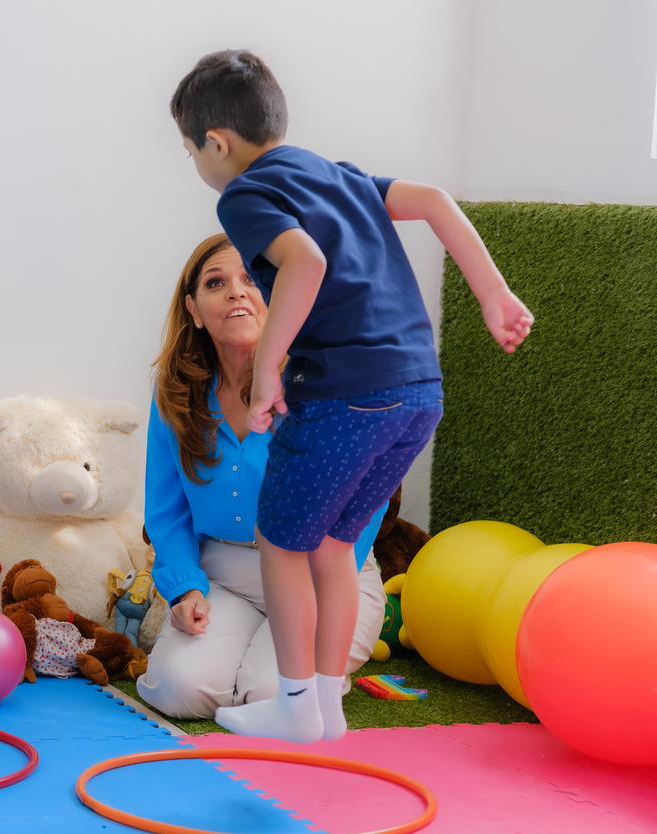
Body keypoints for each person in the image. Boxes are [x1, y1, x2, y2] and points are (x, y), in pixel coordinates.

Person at [170, 50, 533, 742]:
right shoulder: (338, 175)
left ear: (216, 143)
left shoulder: (242, 195)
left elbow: (304, 261)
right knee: (335, 546)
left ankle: (295, 704)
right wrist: (494, 294)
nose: (197, 164)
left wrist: (268, 370)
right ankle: (326, 708)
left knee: (280, 543)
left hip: (345, 394)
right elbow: (434, 200)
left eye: (190, 152)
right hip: (418, 392)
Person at [139, 234, 387, 720]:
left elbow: (368, 494)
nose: (236, 291)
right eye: (216, 283)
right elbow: (167, 511)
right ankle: (257, 661)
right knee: (177, 689)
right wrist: (186, 589)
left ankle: (300, 672)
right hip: (225, 576)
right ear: (194, 309)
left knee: (272, 695)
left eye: (252, 278)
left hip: (321, 575)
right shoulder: (174, 392)